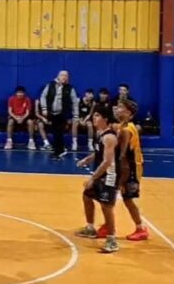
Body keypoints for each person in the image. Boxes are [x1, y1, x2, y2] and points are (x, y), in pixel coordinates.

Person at [74, 110, 120, 253]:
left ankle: (112, 239)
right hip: (101, 173)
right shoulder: (100, 134)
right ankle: (90, 228)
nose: (94, 118)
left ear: (105, 119)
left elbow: (107, 161)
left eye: (97, 115)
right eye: (94, 115)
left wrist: (93, 178)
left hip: (109, 175)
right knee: (87, 196)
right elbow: (99, 152)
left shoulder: (109, 137)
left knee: (106, 206)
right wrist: (87, 159)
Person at [115, 98, 149, 241]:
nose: (117, 109)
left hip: (130, 167)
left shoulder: (127, 130)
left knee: (127, 198)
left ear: (128, 113)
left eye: (120, 107)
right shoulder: (124, 126)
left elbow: (122, 155)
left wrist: (121, 176)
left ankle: (140, 228)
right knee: (116, 197)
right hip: (131, 165)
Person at [38, 71, 76, 159]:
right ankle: (59, 150)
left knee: (59, 132)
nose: (64, 77)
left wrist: (75, 116)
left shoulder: (70, 88)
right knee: (55, 132)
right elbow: (43, 96)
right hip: (51, 113)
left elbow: (74, 102)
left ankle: (58, 151)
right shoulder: (50, 85)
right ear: (58, 76)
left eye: (66, 76)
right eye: (62, 75)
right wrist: (44, 108)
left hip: (62, 114)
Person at [5, 86, 36, 151]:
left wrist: (22, 118)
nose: (20, 94)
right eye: (18, 92)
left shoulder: (27, 99)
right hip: (15, 116)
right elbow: (10, 111)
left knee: (30, 122)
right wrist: (16, 118)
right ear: (16, 93)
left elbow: (27, 112)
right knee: (10, 122)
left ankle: (31, 141)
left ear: (24, 93)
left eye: (21, 93)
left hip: (24, 116)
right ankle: (9, 141)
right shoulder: (11, 99)